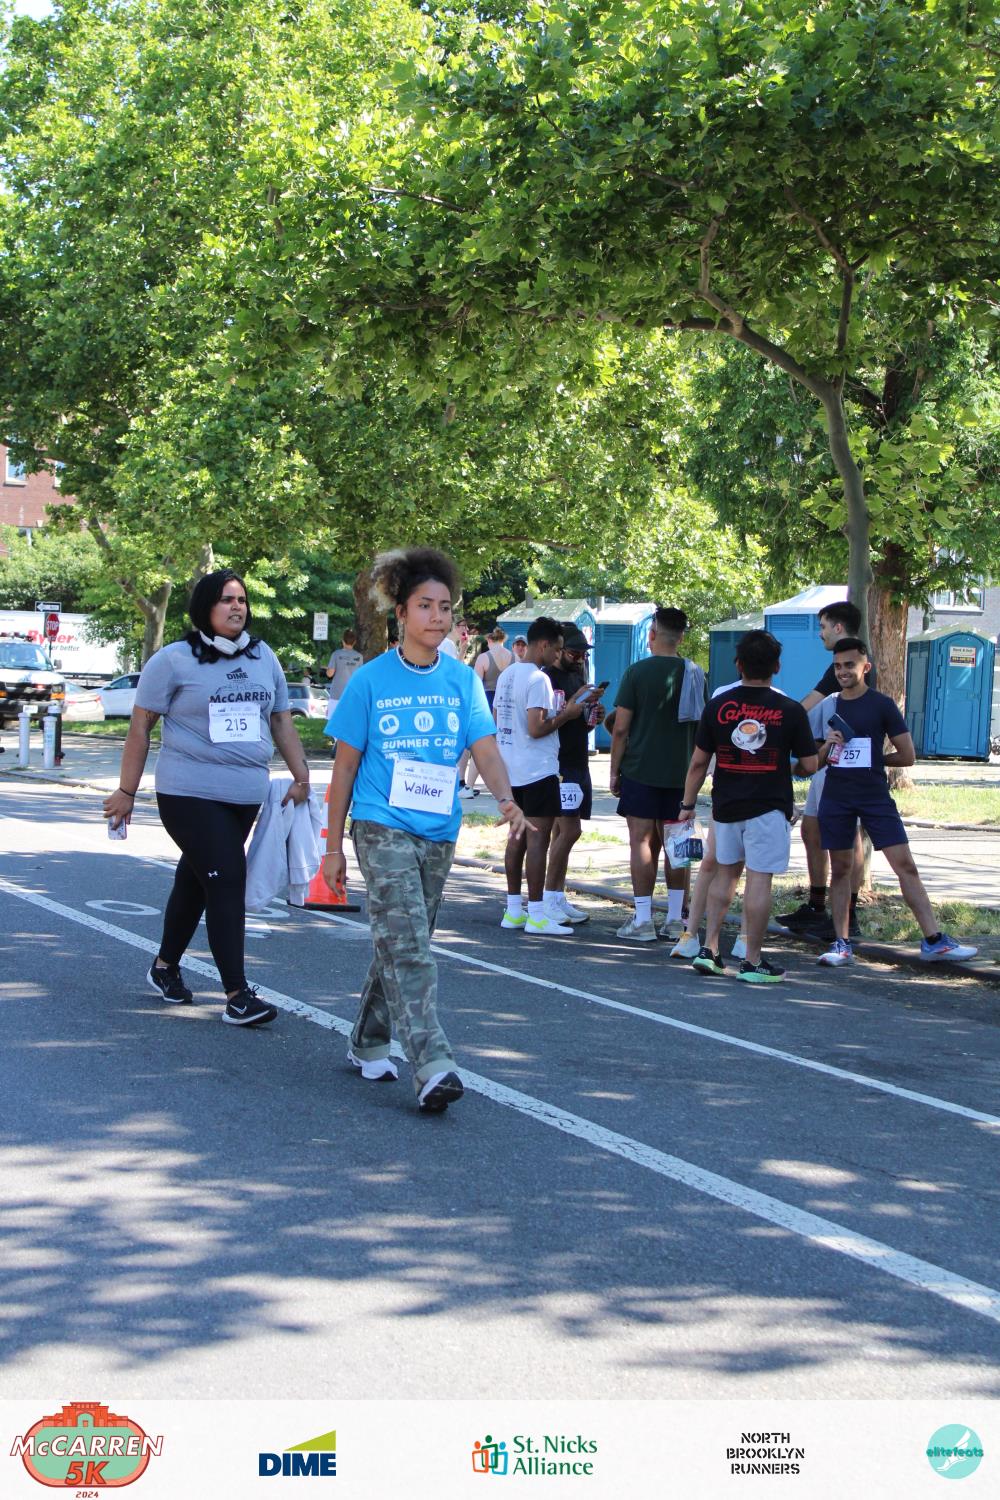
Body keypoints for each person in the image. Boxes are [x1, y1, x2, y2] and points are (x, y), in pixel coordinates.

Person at [322, 548, 528, 1113]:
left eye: (445, 607)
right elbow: (343, 768)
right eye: (424, 606)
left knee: (404, 940)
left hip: (438, 829)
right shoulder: (369, 681)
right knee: (410, 945)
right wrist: (332, 847)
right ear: (401, 613)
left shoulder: (462, 681)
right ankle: (432, 1063)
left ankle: (368, 1039)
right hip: (379, 823)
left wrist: (507, 801)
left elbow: (485, 749)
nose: (437, 616)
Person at [102, 569, 312, 1025]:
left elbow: (280, 720)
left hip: (245, 795)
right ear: (204, 607)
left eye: (242, 600)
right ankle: (237, 994)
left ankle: (164, 967)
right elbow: (140, 728)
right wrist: (126, 790)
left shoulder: (263, 656)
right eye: (226, 599)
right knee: (226, 878)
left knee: (197, 880)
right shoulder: (173, 660)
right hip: (188, 792)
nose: (237, 607)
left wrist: (302, 775)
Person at [814, 638, 977, 967]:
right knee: (841, 870)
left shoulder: (882, 705)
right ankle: (841, 944)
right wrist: (828, 745)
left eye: (849, 665)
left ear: (865, 667)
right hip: (836, 796)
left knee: (905, 865)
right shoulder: (828, 706)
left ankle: (934, 940)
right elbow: (812, 763)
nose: (843, 671)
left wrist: (876, 759)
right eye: (837, 666)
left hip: (875, 797)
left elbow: (907, 756)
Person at [678, 630, 818, 983]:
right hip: (768, 807)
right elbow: (809, 764)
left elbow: (698, 763)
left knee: (724, 874)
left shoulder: (718, 706)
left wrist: (688, 803)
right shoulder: (790, 710)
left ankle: (710, 949)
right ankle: (752, 961)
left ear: (738, 664)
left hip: (726, 804)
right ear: (777, 666)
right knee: (759, 880)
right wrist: (791, 765)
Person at [777, 601, 879, 940]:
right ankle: (818, 906)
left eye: (822, 627)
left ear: (838, 627)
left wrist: (776, 720)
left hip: (842, 759)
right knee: (812, 831)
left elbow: (807, 703)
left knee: (846, 836)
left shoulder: (850, 661)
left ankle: (846, 913)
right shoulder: (845, 660)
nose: (820, 633)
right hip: (829, 753)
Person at [493, 615, 595, 936]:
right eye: (558, 649)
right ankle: (537, 913)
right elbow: (537, 728)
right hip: (537, 769)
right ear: (544, 645)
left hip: (511, 768)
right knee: (537, 840)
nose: (559, 655)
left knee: (516, 837)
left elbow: (497, 719)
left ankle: (514, 909)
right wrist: (568, 714)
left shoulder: (508, 674)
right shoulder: (539, 679)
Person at [609, 607, 702, 942]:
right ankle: (676, 918)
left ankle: (643, 919)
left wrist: (614, 770)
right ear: (681, 637)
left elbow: (621, 728)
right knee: (679, 845)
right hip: (682, 774)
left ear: (652, 634)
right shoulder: (695, 673)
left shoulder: (636, 672)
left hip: (640, 769)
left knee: (641, 841)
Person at [542, 623, 605, 926]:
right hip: (559, 762)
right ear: (558, 650)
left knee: (561, 832)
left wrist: (594, 716)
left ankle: (556, 895)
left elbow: (579, 719)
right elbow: (547, 720)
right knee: (570, 830)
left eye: (583, 654)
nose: (580, 658)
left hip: (578, 759)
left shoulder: (578, 677)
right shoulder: (547, 678)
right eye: (574, 653)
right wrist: (575, 703)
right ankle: (547, 898)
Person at [464, 627, 515, 796]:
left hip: (487, 702)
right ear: (504, 640)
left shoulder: (484, 657)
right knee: (507, 745)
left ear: (489, 640)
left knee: (482, 746)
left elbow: (475, 684)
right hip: (508, 704)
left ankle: (469, 786)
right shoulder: (513, 657)